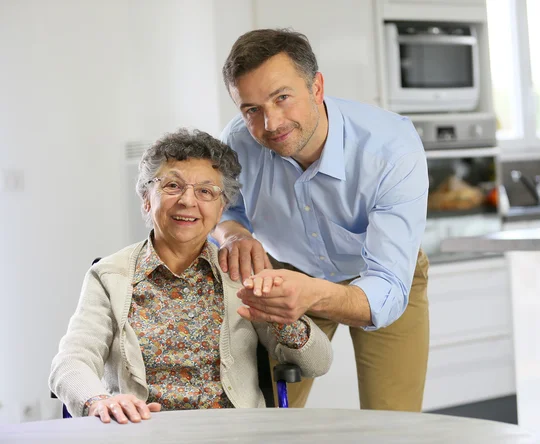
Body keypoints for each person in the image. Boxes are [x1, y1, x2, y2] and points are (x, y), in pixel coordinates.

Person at [49, 128, 332, 423]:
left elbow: (318, 363)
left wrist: (281, 315)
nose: (187, 200)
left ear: (221, 207)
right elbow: (71, 361)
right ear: (146, 198)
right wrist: (98, 400)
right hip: (140, 432)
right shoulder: (110, 275)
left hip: (234, 434)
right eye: (172, 185)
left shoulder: (241, 272)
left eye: (205, 191)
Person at [213, 29, 429, 411]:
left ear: (317, 87)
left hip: (381, 275)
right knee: (261, 416)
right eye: (251, 109)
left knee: (395, 426)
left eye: (282, 97)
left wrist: (314, 293)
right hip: (286, 275)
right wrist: (233, 234)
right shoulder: (237, 141)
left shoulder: (392, 148)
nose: (271, 122)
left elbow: (390, 289)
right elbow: (225, 208)